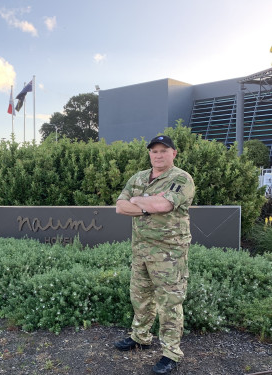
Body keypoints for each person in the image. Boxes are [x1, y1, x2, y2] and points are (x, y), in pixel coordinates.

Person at [114, 135, 195, 374]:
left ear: (174, 153)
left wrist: (139, 203)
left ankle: (171, 353)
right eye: (154, 151)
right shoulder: (138, 177)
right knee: (140, 297)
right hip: (141, 250)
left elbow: (165, 206)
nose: (158, 155)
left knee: (170, 303)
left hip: (169, 253)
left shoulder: (181, 178)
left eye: (163, 150)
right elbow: (120, 206)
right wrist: (148, 204)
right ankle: (140, 336)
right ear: (149, 153)